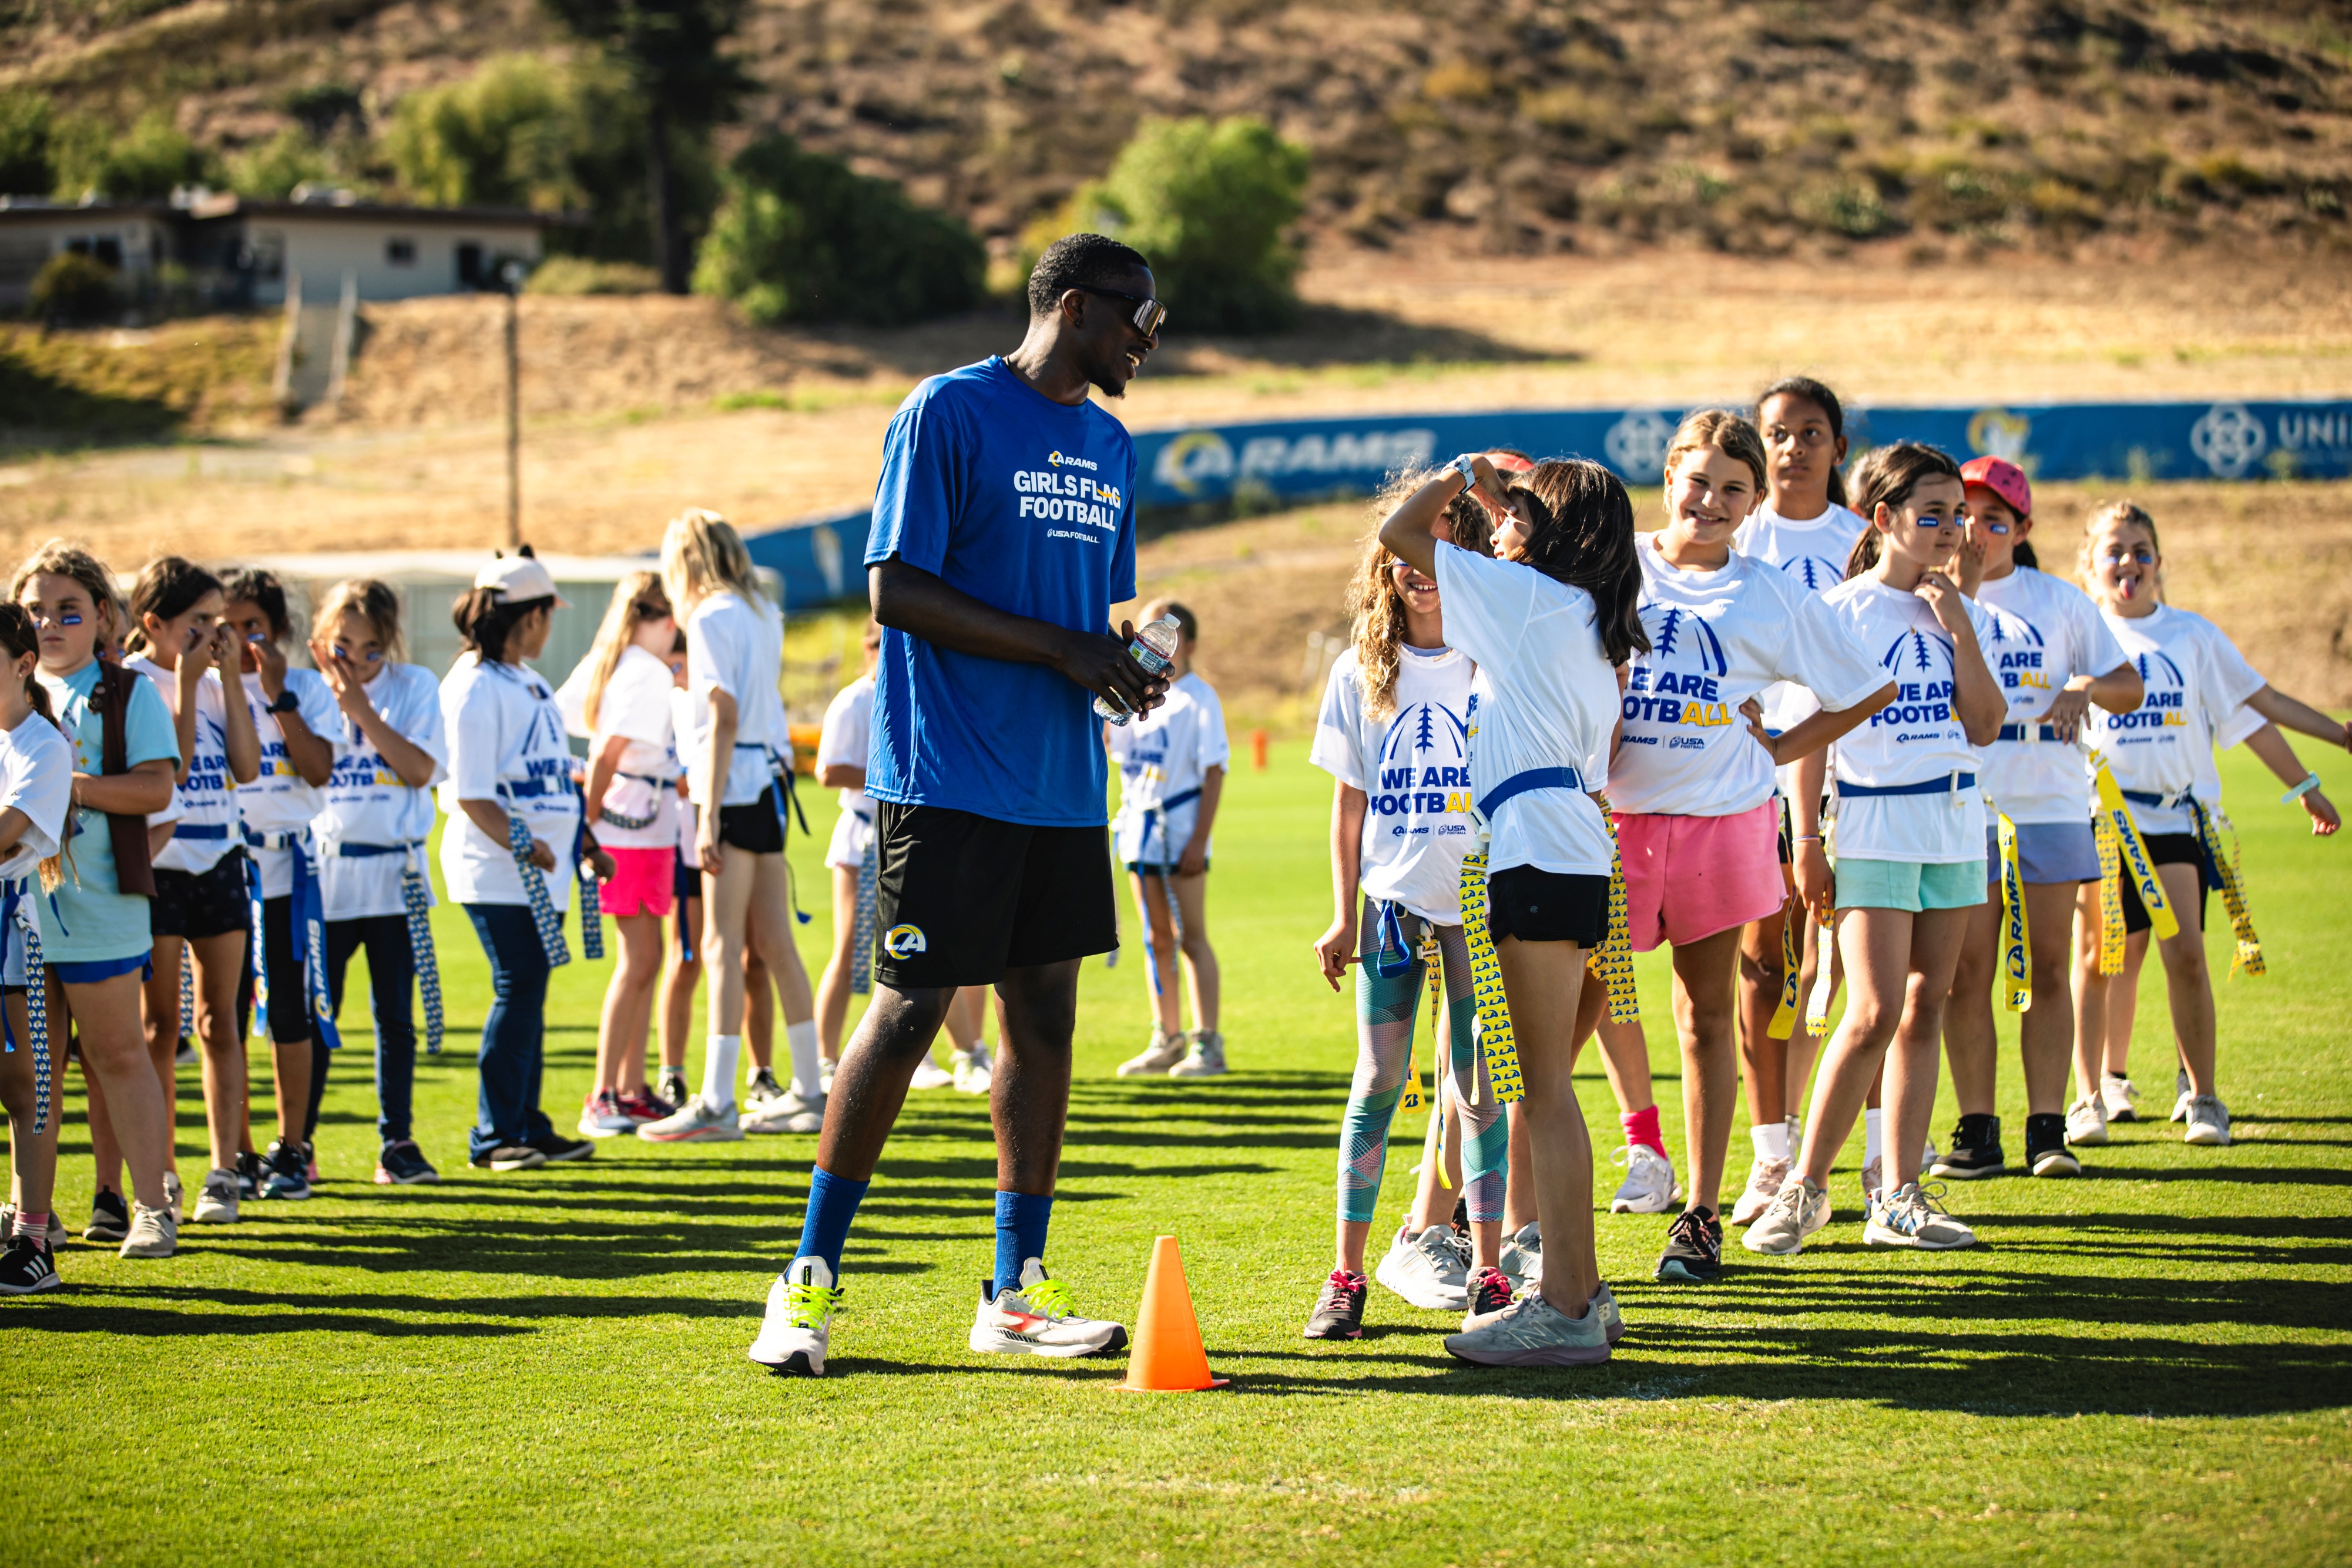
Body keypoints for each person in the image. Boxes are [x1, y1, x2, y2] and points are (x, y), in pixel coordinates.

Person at [751, 233, 1169, 1376]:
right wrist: (1063, 646)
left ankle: (1016, 1287)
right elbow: (896, 587)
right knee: (908, 1008)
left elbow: (1088, 613)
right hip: (945, 769)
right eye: (1141, 316)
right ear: (1075, 307)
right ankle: (806, 1282)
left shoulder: (1111, 442)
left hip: (1061, 784)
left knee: (1044, 1024)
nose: (1149, 338)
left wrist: (1127, 656)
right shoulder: (947, 410)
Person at [1609, 411, 1894, 1285]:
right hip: (1609, 822)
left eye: (1734, 489)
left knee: (1701, 1020)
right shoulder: (1615, 566)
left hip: (1720, 822)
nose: (1712, 501)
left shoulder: (1766, 591)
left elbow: (1867, 687)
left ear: (1753, 500)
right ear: (1666, 479)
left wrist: (1778, 747)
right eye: (1697, 482)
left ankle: (1697, 1214)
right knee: (1581, 1015)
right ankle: (1525, 1221)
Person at [1378, 453, 1646, 1366]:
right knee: (1541, 1093)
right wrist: (1506, 509)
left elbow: (1399, 533)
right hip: (1566, 840)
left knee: (1540, 1095)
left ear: (1541, 535)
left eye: (1512, 518)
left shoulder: (1528, 601)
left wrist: (1458, 476)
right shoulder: (1571, 609)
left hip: (1533, 844)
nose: (1494, 523)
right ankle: (1582, 1289)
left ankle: (1565, 1308)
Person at [1743, 442, 2004, 1258]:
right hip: (1873, 825)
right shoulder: (1839, 610)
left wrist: (1956, 620)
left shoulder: (1956, 608)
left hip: (1955, 826)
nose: (1949, 530)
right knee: (1868, 1010)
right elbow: (1804, 737)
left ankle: (1895, 1195)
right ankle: (1804, 1189)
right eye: (1930, 515)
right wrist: (1807, 840)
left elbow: (1985, 722)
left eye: (1956, 517)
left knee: (1926, 1004)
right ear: (1882, 519)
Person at [2066, 501, 2350, 1149]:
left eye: (2140, 550)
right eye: (2113, 550)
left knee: (2186, 954)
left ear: (2159, 563)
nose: (2127, 563)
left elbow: (2258, 709)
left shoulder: (2191, 636)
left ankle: (2202, 1095)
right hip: (2099, 822)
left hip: (2173, 819)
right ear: (2089, 565)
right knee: (2097, 959)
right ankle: (2089, 1096)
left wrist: (2320, 763)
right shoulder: (2077, 635)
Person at [1302, 497, 1508, 1339]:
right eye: (1406, 555)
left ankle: (1488, 1273)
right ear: (1384, 568)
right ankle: (1344, 1276)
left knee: (1480, 1088)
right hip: (1389, 907)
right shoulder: (1359, 671)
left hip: (1476, 905)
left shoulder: (1493, 662)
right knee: (1378, 1082)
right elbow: (1347, 806)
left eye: (1442, 552)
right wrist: (1339, 914)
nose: (1420, 569)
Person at [1936, 458, 2140, 1180]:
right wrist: (1953, 596)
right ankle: (1976, 1126)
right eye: (1966, 516)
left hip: (2050, 800)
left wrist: (2083, 684)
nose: (1979, 532)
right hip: (1966, 801)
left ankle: (2047, 1125)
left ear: (2022, 530)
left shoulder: (2059, 600)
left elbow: (2128, 684)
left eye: (1997, 520)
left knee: (2049, 967)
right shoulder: (1934, 597)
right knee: (1966, 971)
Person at [1725, 377, 1873, 1227]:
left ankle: (1881, 1151)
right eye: (1776, 433)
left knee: (1849, 974)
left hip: (1850, 783)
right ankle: (1768, 1152)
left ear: (1837, 447)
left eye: (1810, 431)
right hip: (1749, 781)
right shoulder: (1735, 533)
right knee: (1759, 966)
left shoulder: (1861, 538)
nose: (1792, 448)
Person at [14, 542, 181, 1258]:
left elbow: (156, 788)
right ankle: (35, 1215)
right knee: (33, 1067)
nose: (49, 624)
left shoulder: (124, 692)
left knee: (117, 1053)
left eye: (68, 611)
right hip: (20, 908)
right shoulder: (11, 694)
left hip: (103, 901)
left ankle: (152, 1205)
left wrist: (61, 785)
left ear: (104, 618)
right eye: (34, 610)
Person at [636, 511, 824, 1143]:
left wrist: (708, 814)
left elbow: (721, 713)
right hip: (765, 783)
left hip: (736, 784)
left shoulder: (712, 615)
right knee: (775, 943)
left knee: (720, 945)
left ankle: (716, 1099)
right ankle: (808, 1090)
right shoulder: (759, 611)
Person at [438, 548, 599, 1172]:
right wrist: (523, 841)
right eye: (546, 614)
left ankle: (526, 1123)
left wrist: (584, 840)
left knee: (529, 990)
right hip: (500, 867)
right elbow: (472, 792)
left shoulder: (526, 680)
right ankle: (494, 1134)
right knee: (519, 984)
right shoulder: (473, 684)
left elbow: (552, 774)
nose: (549, 626)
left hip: (544, 867)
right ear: (528, 617)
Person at [123, 558, 261, 1225]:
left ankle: (225, 1168)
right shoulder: (135, 682)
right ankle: (164, 1172)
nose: (212, 633)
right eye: (197, 622)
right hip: (161, 865)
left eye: (218, 621)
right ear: (154, 623)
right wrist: (184, 675)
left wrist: (229, 679)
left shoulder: (217, 677)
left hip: (221, 858)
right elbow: (170, 773)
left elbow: (247, 764)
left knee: (220, 1020)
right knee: (161, 1026)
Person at [310, 579, 449, 1186]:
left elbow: (419, 769)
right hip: (327, 876)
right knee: (318, 1013)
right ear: (321, 639)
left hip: (397, 875)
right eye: (343, 644)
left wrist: (362, 711)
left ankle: (396, 1141)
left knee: (395, 1015)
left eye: (372, 648)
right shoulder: (302, 693)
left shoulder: (413, 685)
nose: (357, 661)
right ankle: (298, 1142)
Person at [216, 568, 344, 1200]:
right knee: (226, 1018)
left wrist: (277, 694)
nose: (241, 641)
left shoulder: (305, 688)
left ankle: (293, 1146)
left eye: (254, 627)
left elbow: (319, 770)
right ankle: (234, 1150)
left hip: (289, 872)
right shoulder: (207, 691)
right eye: (228, 627)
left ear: (279, 629)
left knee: (291, 1013)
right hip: (224, 870)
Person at [558, 573, 686, 1137]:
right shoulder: (645, 671)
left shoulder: (615, 661)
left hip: (644, 822)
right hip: (630, 825)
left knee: (646, 958)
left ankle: (631, 1088)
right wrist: (586, 826)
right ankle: (605, 1092)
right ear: (662, 619)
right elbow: (607, 753)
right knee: (637, 961)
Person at [1109, 599, 1231, 1079]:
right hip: (1138, 829)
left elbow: (1215, 770)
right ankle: (1167, 1035)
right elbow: (1113, 751)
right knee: (1155, 937)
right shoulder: (1129, 696)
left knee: (1191, 937)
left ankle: (1208, 1042)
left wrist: (1198, 840)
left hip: (1180, 829)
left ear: (1189, 645)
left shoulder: (1198, 697)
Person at [0, 603, 80, 1291]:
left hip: (8, 933)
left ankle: (33, 1239)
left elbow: (7, 831)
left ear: (24, 666)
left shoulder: (43, 745)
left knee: (26, 1088)